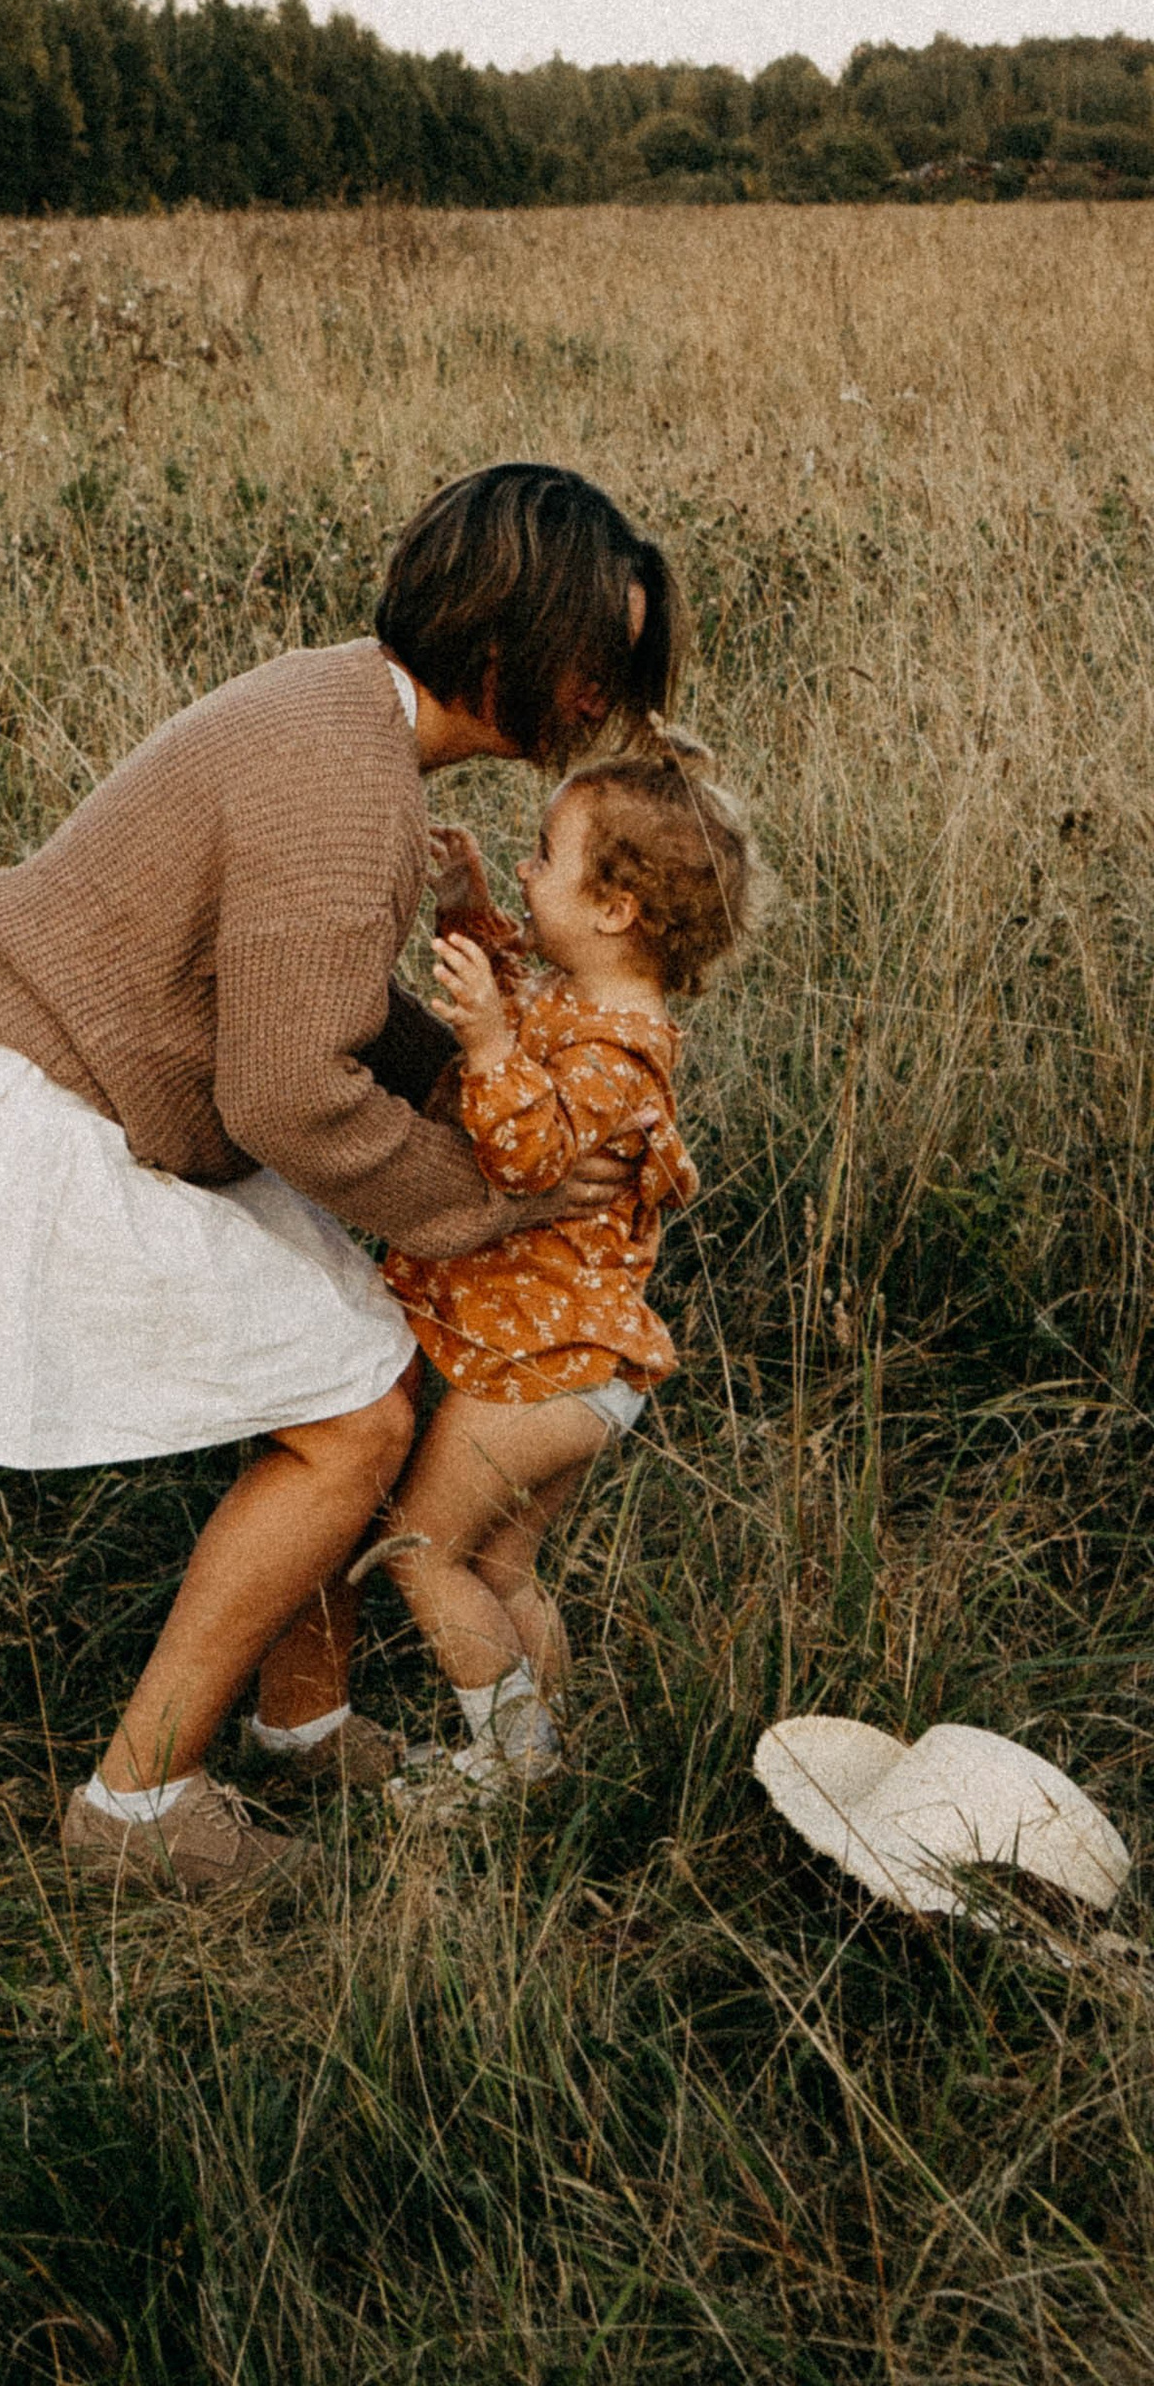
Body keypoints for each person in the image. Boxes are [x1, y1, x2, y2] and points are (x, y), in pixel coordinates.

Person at [0, 461, 680, 1898]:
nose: (606, 695)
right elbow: (288, 1094)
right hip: (35, 1106)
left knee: (355, 1353)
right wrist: (497, 1200)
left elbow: (309, 1004)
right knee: (352, 1419)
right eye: (598, 655)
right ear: (505, 631)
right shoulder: (350, 791)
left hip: (88, 1072)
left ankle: (301, 1722)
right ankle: (136, 1805)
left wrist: (465, 1103)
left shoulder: (344, 709)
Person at [373, 745, 766, 1807]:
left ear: (614, 908)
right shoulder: (584, 999)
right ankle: (546, 1764)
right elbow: (518, 993)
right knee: (503, 1567)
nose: (526, 867)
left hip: (542, 1367)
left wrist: (486, 1048)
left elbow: (526, 1154)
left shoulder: (617, 1054)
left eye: (545, 855)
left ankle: (511, 1763)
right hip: (582, 1364)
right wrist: (469, 908)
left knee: (419, 1549)